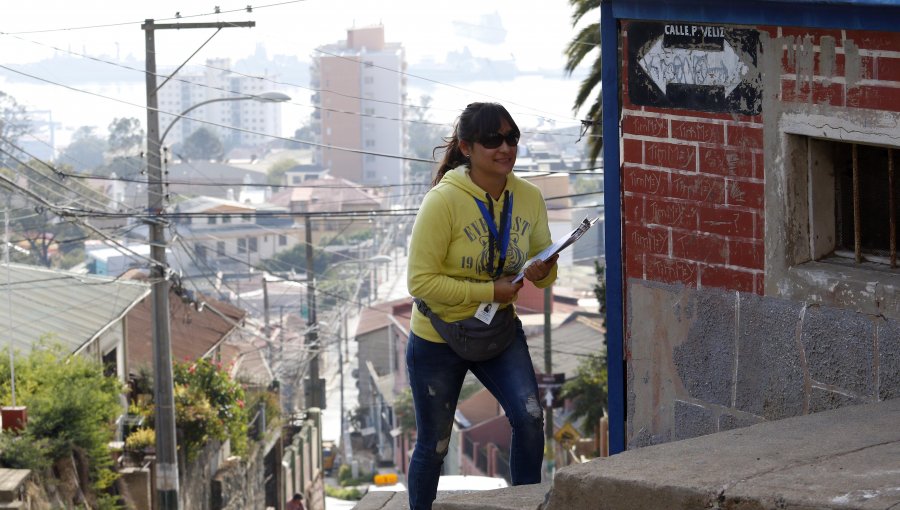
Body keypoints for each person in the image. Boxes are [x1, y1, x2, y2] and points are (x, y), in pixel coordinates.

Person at [405, 102, 558, 510]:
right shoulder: (443, 202)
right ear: (467, 148)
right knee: (434, 445)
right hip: (438, 336)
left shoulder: (528, 197)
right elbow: (419, 282)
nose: (505, 148)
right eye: (493, 140)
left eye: (512, 138)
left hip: (498, 333)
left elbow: (542, 272)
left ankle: (524, 504)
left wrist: (543, 270)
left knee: (529, 418)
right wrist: (490, 291)